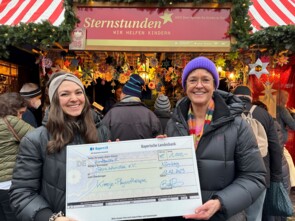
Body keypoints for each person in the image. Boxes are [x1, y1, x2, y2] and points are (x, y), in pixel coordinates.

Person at [165, 56, 266, 221]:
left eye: (205, 79)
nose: (199, 85)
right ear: (185, 86)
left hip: (222, 217)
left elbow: (254, 177)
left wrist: (220, 203)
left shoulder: (237, 126)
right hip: (181, 215)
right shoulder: (173, 124)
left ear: (214, 86)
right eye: (192, 80)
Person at [9, 73, 110, 221]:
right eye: (65, 94)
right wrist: (50, 218)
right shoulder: (35, 140)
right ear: (54, 100)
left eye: (78, 92)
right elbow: (22, 192)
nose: (74, 98)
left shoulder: (102, 131)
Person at [233, 86, 283, 221]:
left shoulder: (226, 112)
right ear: (251, 98)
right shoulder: (264, 114)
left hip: (232, 176)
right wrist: (276, 177)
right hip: (261, 175)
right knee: (255, 216)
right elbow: (275, 148)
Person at [0, 92, 33, 221]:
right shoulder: (10, 121)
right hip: (9, 184)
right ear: (13, 109)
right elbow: (38, 138)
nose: (21, 117)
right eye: (20, 113)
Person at [102, 74, 162, 141]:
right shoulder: (150, 115)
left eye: (121, 92)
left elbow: (101, 136)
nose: (120, 94)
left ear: (124, 94)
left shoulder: (112, 114)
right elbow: (158, 138)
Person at [276, 90, 295, 188]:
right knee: (289, 165)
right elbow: (293, 125)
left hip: (272, 140)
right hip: (280, 141)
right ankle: (291, 185)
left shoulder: (271, 107)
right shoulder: (281, 109)